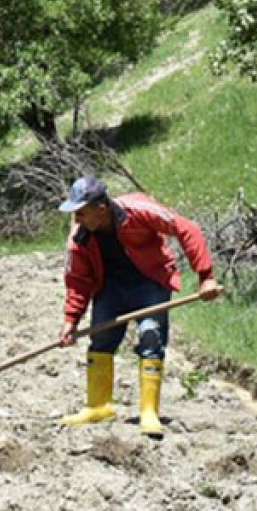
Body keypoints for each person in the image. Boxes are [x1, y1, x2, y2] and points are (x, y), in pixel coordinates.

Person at [56, 176, 220, 436]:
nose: (77, 220)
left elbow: (187, 229)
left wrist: (206, 277)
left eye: (81, 213)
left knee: (151, 335)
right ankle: (99, 406)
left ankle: (149, 412)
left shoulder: (139, 209)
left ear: (101, 208)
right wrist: (70, 321)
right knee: (101, 340)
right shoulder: (79, 238)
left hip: (150, 282)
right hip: (110, 287)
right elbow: (77, 280)